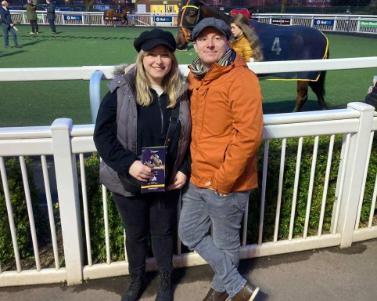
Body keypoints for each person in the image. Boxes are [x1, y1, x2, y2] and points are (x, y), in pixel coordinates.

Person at [93, 28, 191, 301]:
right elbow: (102, 135)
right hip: (129, 179)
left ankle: (165, 283)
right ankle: (136, 281)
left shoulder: (182, 92)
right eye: (152, 55)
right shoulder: (121, 90)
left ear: (172, 59)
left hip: (167, 179)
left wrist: (184, 169)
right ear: (141, 57)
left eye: (165, 55)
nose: (158, 61)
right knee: (135, 234)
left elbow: (192, 137)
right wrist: (129, 164)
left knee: (163, 233)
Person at [178, 17, 263, 301]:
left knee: (226, 244)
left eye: (216, 38)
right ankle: (238, 288)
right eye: (203, 38)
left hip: (227, 181)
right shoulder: (195, 75)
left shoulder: (241, 78)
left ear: (228, 41)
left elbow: (249, 135)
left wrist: (224, 180)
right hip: (198, 175)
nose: (209, 43)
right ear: (196, 43)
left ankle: (220, 293)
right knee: (189, 233)